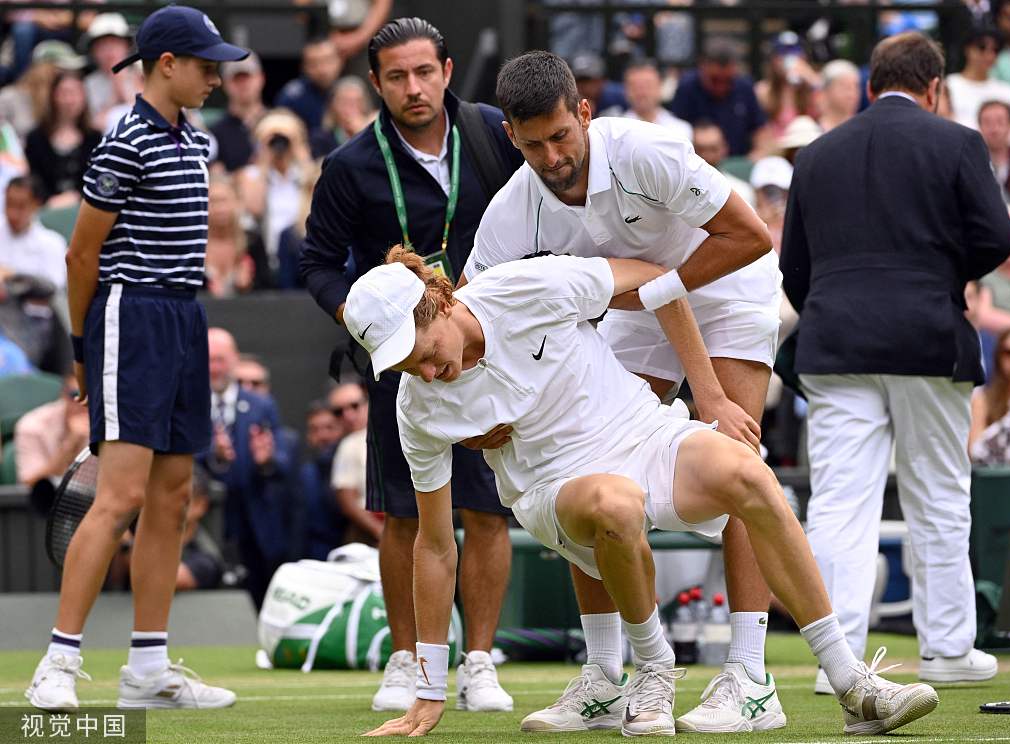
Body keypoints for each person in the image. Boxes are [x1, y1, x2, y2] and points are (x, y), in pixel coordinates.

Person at [355, 248, 939, 739]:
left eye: (425, 353)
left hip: (644, 432)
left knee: (751, 473)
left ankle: (853, 684)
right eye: (409, 367)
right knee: (615, 503)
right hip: (551, 488)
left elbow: (657, 276)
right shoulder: (418, 406)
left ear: (442, 302)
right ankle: (655, 665)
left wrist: (707, 392)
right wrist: (429, 688)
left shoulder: (527, 286)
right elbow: (434, 545)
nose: (427, 374)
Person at [462, 50, 788, 734]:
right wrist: (483, 408)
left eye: (560, 136)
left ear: (584, 113)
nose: (551, 157)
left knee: (736, 462)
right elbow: (470, 321)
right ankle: (607, 675)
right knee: (587, 464)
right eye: (531, 145)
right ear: (510, 138)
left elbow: (750, 235)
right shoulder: (508, 214)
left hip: (725, 287)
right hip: (631, 306)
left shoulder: (645, 151)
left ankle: (751, 675)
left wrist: (698, 368)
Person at [23, 5, 248, 712]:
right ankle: (57, 663)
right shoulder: (124, 138)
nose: (217, 77)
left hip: (184, 315)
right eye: (206, 64)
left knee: (173, 497)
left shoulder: (198, 138)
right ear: (166, 65)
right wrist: (87, 349)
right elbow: (80, 252)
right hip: (130, 315)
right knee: (119, 496)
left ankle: (148, 670)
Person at [299, 17, 523, 714]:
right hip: (400, 363)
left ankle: (479, 661)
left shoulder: (493, 133)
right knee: (404, 514)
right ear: (375, 83)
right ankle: (404, 658)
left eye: (424, 72)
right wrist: (367, 328)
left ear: (448, 71)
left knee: (486, 510)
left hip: (488, 346)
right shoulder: (350, 165)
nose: (413, 87)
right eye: (395, 76)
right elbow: (316, 264)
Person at [780, 31, 1010, 693]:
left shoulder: (817, 154)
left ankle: (840, 661)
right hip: (926, 335)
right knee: (937, 495)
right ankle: (947, 648)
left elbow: (795, 266)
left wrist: (841, 300)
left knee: (837, 504)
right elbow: (998, 235)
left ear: (873, 83)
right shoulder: (958, 142)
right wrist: (939, 277)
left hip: (836, 339)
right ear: (934, 88)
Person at [204, 327, 295, 609]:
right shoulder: (188, 404)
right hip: (206, 521)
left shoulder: (260, 405)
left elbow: (281, 460)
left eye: (220, 359)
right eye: (208, 360)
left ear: (234, 361)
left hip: (254, 521)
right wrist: (213, 455)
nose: (214, 368)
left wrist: (265, 460)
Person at [237, 108, 317, 274]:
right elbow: (254, 208)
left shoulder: (305, 174)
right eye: (273, 139)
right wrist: (264, 159)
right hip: (266, 262)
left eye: (286, 139)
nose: (280, 145)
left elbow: (317, 196)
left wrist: (299, 151)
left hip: (302, 258)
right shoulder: (252, 175)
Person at [670, 37, 770, 158]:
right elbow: (675, 131)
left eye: (728, 80)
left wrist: (756, 156)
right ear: (703, 67)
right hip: (696, 162)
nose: (721, 87)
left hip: (737, 163)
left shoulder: (744, 87)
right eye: (715, 80)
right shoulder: (687, 88)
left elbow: (760, 130)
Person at [24, 72, 101, 206]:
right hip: (45, 209)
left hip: (85, 208)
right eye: (64, 93)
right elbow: (33, 177)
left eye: (76, 93)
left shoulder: (94, 138)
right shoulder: (36, 138)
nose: (70, 100)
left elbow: (99, 179)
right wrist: (49, 200)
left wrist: (77, 196)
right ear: (53, 96)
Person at [14, 374, 88, 487]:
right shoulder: (33, 425)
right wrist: (70, 444)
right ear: (63, 395)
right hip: (46, 501)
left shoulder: (112, 423)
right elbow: (30, 486)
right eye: (76, 394)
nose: (82, 402)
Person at [330, 378, 380, 545]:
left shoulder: (390, 430)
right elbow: (348, 501)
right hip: (370, 535)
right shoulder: (349, 445)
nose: (348, 415)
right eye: (339, 411)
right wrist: (381, 532)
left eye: (354, 406)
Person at [204, 174, 271, 297]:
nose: (219, 208)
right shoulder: (194, 245)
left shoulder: (253, 241)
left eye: (224, 200)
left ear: (236, 202)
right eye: (212, 201)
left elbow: (269, 289)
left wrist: (249, 286)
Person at [299, 399, 348, 560]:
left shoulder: (355, 467)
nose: (323, 436)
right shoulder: (304, 475)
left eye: (329, 428)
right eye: (315, 430)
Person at [0, 176, 67, 291]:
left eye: (21, 206)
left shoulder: (53, 243)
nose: (13, 214)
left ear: (36, 204)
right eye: (9, 204)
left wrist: (12, 277)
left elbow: (54, 289)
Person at [946, 25, 1010, 130]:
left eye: (995, 50)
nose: (989, 55)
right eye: (982, 47)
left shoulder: (1007, 90)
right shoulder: (949, 85)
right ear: (967, 49)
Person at [81, 13, 142, 133]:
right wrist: (115, 92)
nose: (110, 51)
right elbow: (95, 125)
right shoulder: (88, 84)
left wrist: (122, 84)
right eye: (103, 45)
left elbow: (148, 117)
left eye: (115, 43)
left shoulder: (142, 75)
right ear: (94, 51)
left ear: (126, 46)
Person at [755, 31, 820, 140]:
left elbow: (830, 110)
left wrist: (810, 77)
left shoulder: (813, 87)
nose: (789, 59)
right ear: (773, 60)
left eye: (795, 53)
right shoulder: (763, 91)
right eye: (783, 54)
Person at [274, 37, 343, 137]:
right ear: (304, 67)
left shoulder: (351, 91)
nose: (322, 69)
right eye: (314, 63)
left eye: (327, 60)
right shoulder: (293, 97)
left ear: (339, 61)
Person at [209, 54, 266, 173]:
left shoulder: (281, 122)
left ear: (261, 78)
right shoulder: (215, 132)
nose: (243, 84)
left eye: (247, 77)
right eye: (236, 79)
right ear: (225, 83)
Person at [621, 59, 692, 140]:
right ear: (625, 90)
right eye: (635, 87)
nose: (641, 93)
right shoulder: (614, 131)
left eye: (648, 86)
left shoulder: (681, 130)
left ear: (660, 87)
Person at [310, 76, 377, 158]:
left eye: (357, 102)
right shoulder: (321, 138)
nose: (351, 109)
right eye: (345, 102)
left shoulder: (375, 134)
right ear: (333, 106)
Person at [691, 119, 755, 205]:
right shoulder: (678, 191)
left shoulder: (741, 192)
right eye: (701, 149)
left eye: (713, 149)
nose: (707, 156)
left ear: (724, 148)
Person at [978, 100, 1010, 203]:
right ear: (979, 127)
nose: (994, 129)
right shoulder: (972, 165)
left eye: (1000, 122)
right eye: (987, 122)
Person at [817, 59, 862, 133]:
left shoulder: (864, 130)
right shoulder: (811, 132)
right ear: (826, 90)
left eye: (855, 86)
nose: (851, 94)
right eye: (845, 87)